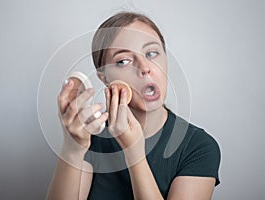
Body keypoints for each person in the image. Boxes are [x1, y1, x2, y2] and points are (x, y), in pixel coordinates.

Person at [46, 11, 221, 200]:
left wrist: (134, 153)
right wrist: (73, 150)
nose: (144, 67)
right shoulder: (91, 138)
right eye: (123, 61)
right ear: (104, 77)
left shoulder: (198, 147)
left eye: (152, 53)